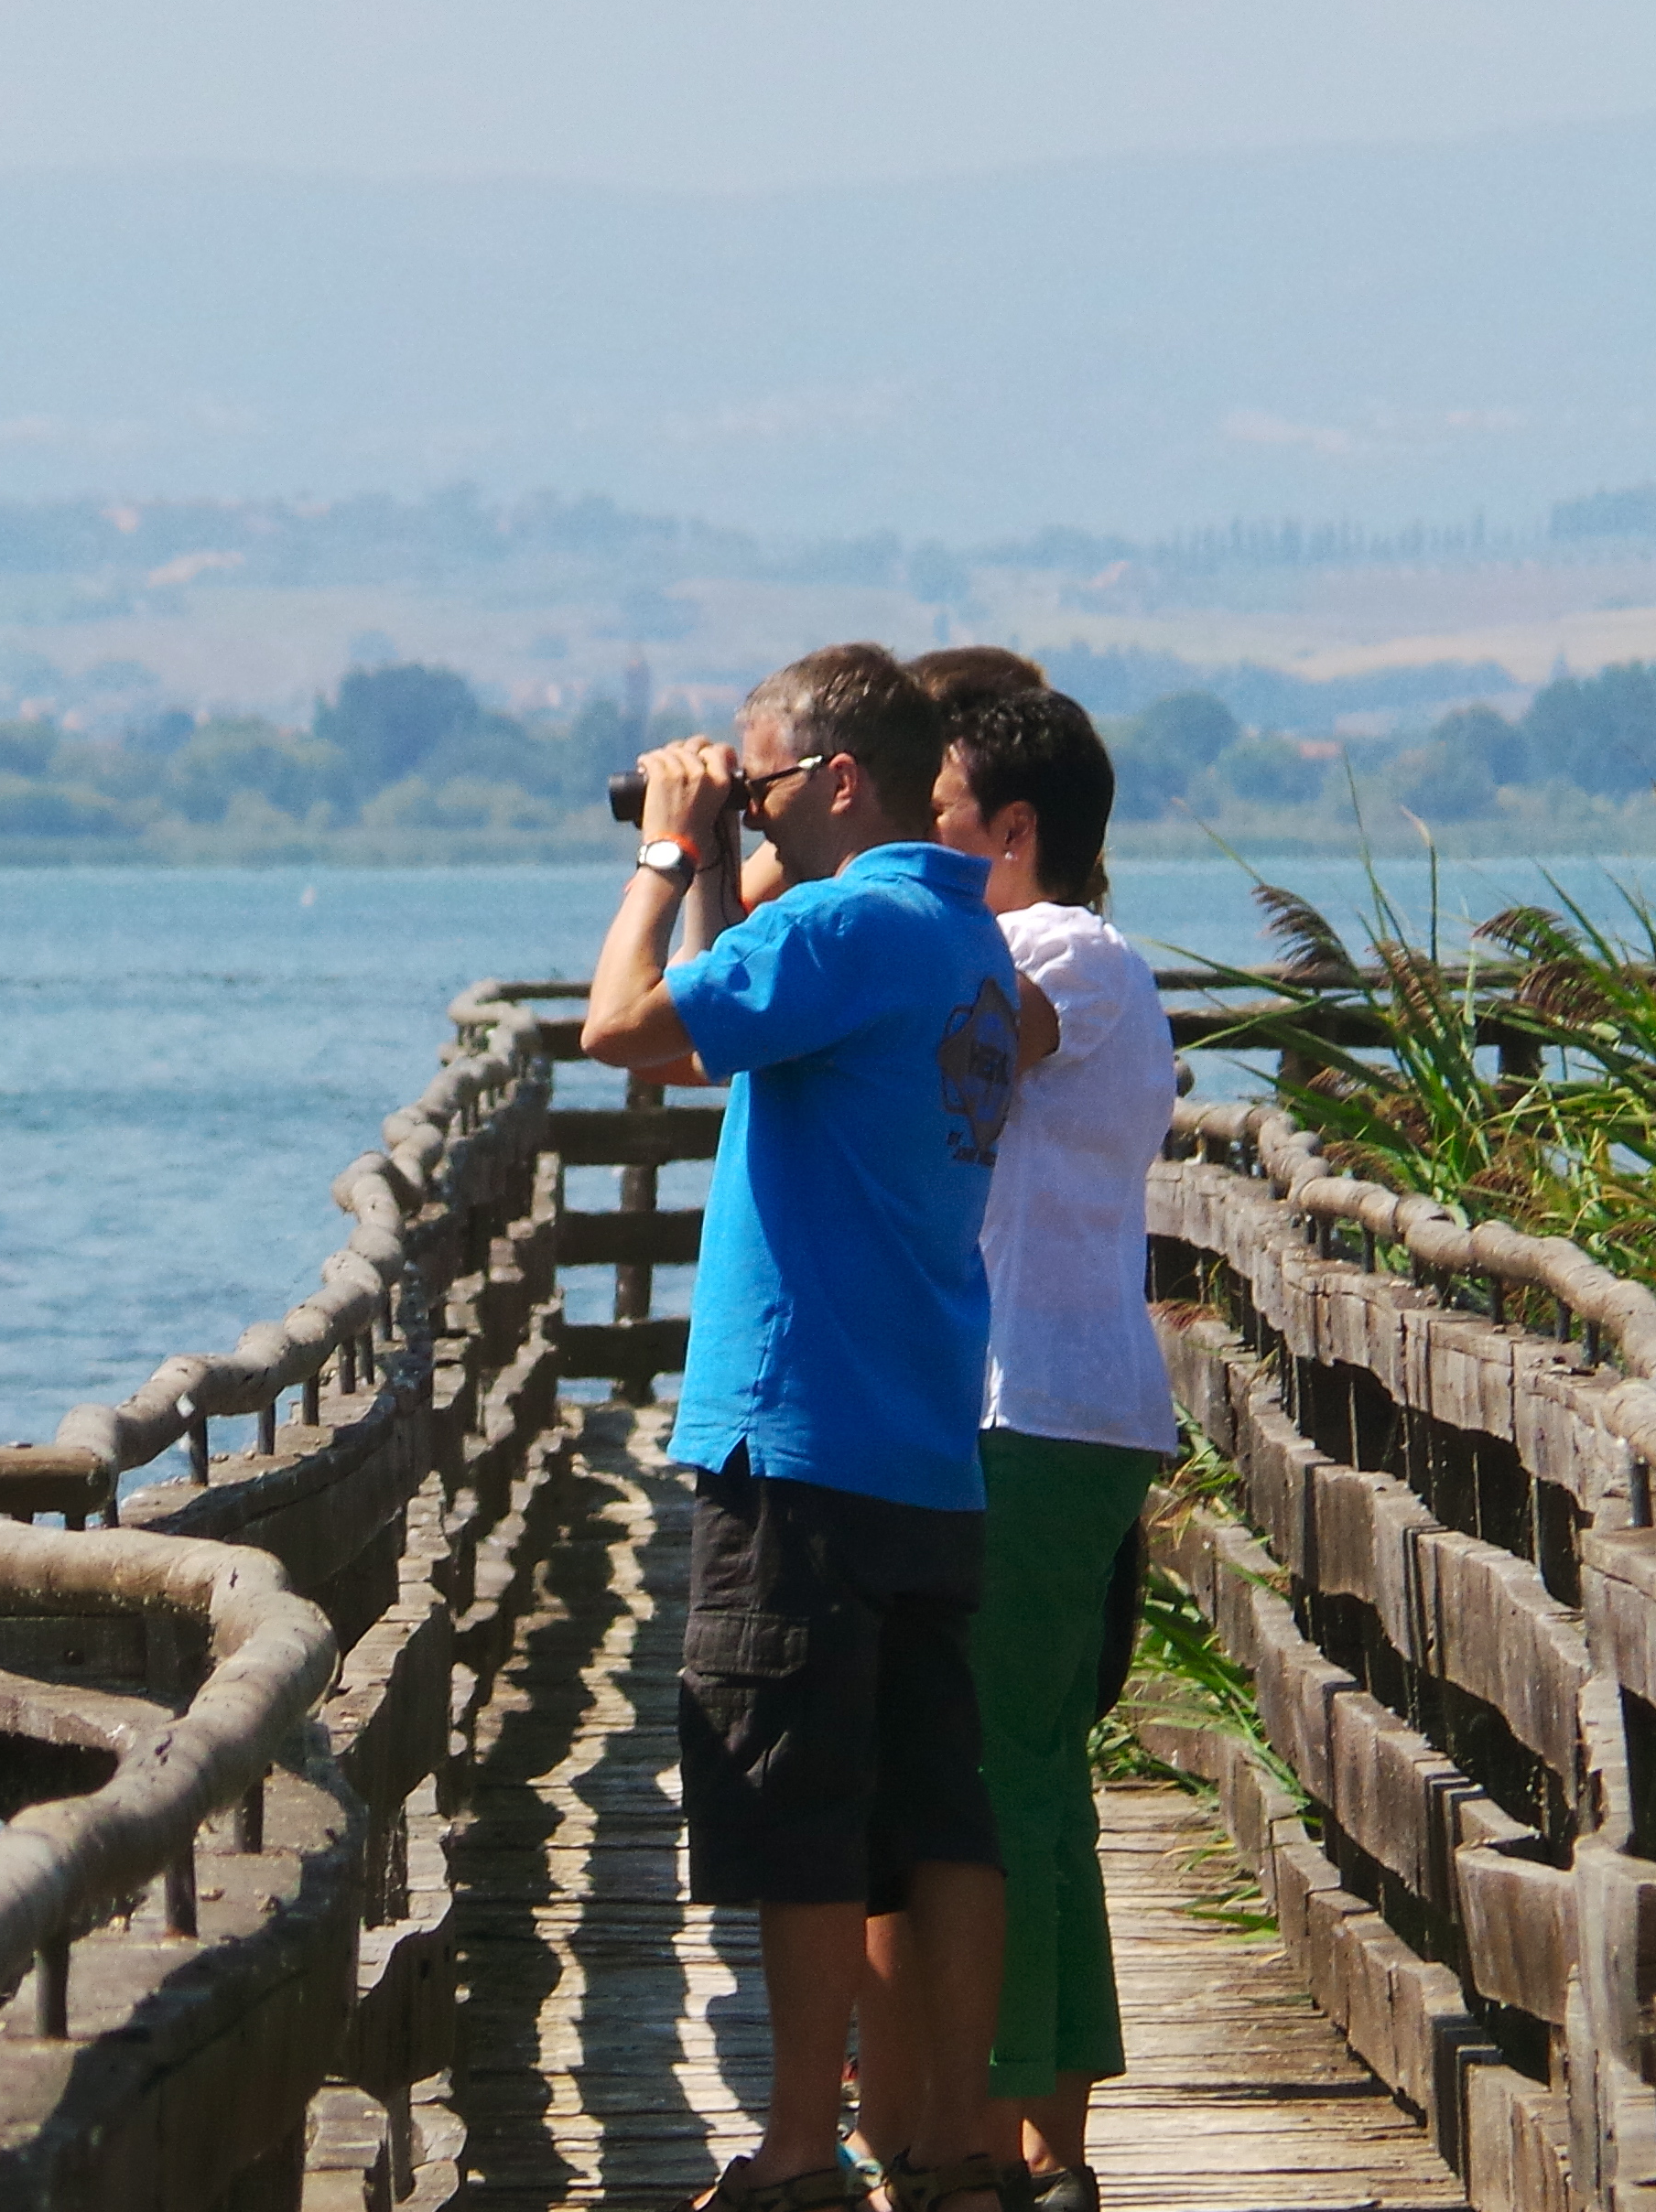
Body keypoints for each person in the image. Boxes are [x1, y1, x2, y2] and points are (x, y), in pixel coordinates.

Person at [576, 643, 1037, 2212]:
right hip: (922, 1446)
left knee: (796, 1806)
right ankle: (961, 2148)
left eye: (760, 778)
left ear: (838, 779)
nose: (742, 802)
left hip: (799, 1439)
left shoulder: (846, 926)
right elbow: (749, 1026)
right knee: (939, 1813)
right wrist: (727, 868)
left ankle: (793, 2155)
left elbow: (623, 1030)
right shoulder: (959, 939)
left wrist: (661, 858)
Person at [850, 683, 1174, 2212]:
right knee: (1024, 1770)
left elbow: (967, 1028)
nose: (921, 846)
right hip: (1031, 1407)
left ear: (1016, 831)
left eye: (938, 817)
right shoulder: (1042, 945)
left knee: (993, 1776)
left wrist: (840, 889)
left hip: (1037, 1408)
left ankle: (995, 2129)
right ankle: (1045, 2136)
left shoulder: (1071, 952)